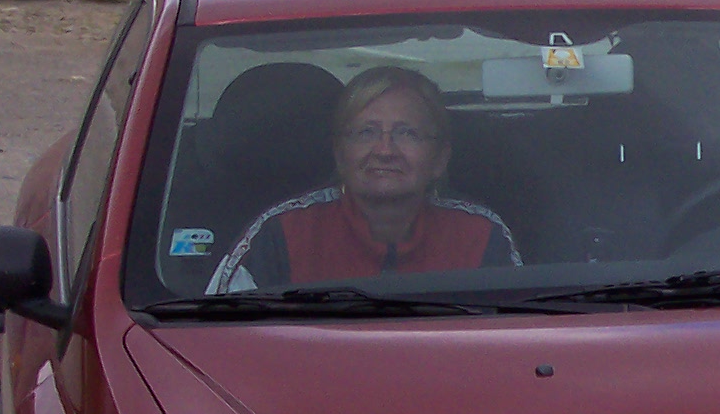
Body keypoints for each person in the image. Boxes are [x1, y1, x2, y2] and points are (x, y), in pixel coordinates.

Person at [210, 66, 518, 290]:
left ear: (440, 158)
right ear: (339, 153)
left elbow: (513, 340)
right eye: (365, 133)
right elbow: (216, 340)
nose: (385, 150)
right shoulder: (279, 235)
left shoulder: (481, 236)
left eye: (407, 133)